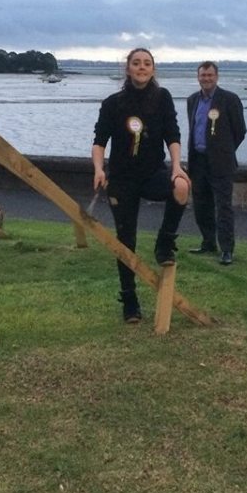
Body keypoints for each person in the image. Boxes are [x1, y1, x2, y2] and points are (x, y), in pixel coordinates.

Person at [92, 48, 190, 322]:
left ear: (153, 69)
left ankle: (165, 242)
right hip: (121, 179)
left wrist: (177, 167)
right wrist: (99, 169)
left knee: (182, 187)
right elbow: (99, 142)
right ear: (128, 69)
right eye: (136, 63)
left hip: (152, 174)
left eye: (147, 63)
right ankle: (129, 300)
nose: (142, 67)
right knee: (126, 241)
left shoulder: (162, 97)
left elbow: (173, 134)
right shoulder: (112, 103)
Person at [186, 61, 247, 265]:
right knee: (201, 205)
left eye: (210, 75)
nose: (206, 79)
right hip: (198, 161)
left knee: (223, 208)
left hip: (221, 163)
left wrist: (224, 151)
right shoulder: (192, 100)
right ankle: (208, 242)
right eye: (203, 75)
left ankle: (227, 249)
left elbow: (240, 131)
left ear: (217, 77)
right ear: (198, 77)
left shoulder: (229, 99)